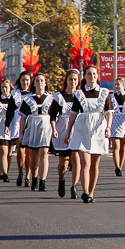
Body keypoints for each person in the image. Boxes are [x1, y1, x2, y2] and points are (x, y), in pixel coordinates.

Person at [65, 65, 113, 203]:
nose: (92, 76)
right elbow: (73, 115)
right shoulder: (79, 94)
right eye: (89, 74)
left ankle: (91, 193)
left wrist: (108, 127)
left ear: (97, 75)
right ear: (85, 76)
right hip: (82, 128)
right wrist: (68, 132)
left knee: (95, 164)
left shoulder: (104, 92)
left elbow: (109, 112)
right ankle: (85, 191)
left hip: (98, 128)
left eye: (94, 74)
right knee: (85, 162)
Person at [16, 72, 55, 192]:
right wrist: (21, 133)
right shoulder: (27, 99)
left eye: (42, 80)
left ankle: (43, 181)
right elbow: (23, 117)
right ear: (34, 83)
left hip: (46, 126)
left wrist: (55, 129)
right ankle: (34, 178)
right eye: (37, 81)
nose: (40, 83)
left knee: (44, 153)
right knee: (33, 157)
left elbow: (54, 116)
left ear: (45, 83)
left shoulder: (51, 99)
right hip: (32, 126)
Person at [49, 70, 82, 198]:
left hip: (78, 128)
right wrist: (54, 129)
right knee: (63, 163)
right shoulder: (58, 97)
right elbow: (53, 115)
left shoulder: (81, 95)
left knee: (76, 158)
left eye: (75, 79)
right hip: (63, 128)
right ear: (66, 81)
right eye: (70, 79)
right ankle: (61, 179)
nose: (73, 82)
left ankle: (74, 187)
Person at [9, 71, 33, 185]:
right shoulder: (15, 93)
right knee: (20, 150)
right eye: (23, 80)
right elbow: (10, 110)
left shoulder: (33, 93)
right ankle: (20, 173)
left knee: (29, 151)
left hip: (31, 121)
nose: (25, 82)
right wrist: (7, 125)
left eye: (27, 80)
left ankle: (28, 176)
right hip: (18, 121)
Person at [109, 77, 125, 177]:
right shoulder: (111, 97)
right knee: (116, 145)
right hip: (114, 121)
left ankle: (121, 166)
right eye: (116, 84)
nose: (117, 86)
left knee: (123, 146)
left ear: (124, 86)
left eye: (119, 84)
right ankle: (117, 166)